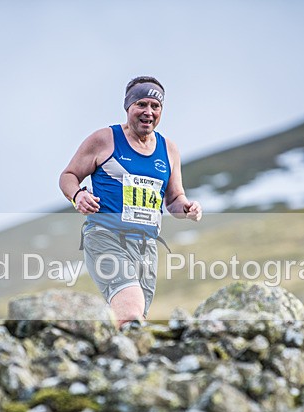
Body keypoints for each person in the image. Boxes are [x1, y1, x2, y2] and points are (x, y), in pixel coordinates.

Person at [59, 76, 202, 327]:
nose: (148, 112)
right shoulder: (105, 139)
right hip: (106, 237)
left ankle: (98, 343)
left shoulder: (168, 149)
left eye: (155, 106)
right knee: (130, 308)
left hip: (146, 247)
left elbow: (174, 199)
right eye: (141, 104)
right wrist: (78, 195)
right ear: (128, 107)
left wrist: (187, 208)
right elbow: (68, 176)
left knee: (131, 320)